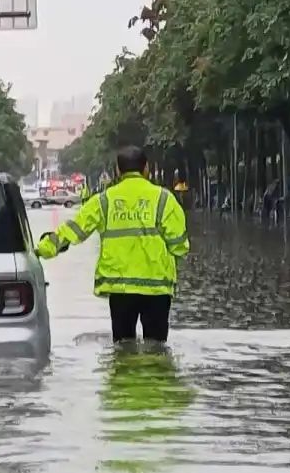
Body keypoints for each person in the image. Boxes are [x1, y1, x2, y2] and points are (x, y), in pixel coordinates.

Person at [36, 145, 190, 343]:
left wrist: (41, 250)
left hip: (120, 289)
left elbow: (73, 231)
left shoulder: (103, 200)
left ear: (117, 170)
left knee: (123, 347)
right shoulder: (164, 199)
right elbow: (180, 245)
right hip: (157, 288)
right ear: (146, 169)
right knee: (157, 348)